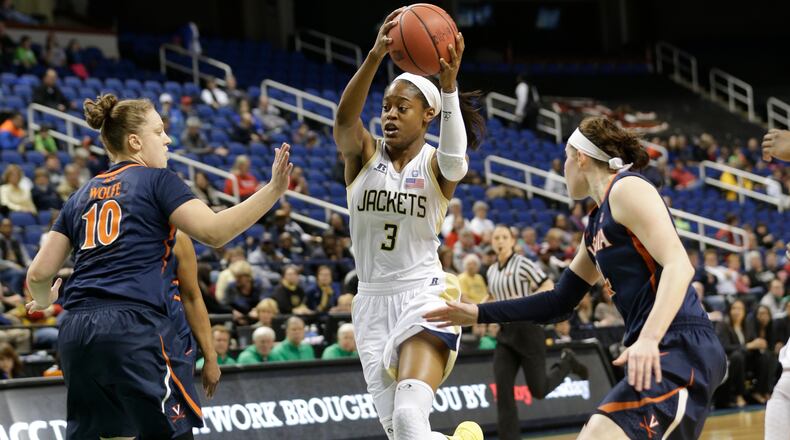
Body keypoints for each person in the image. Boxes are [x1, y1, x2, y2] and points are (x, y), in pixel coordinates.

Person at [426, 116, 727, 439]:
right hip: (658, 351)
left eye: (566, 160)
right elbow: (560, 302)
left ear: (580, 156)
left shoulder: (626, 187)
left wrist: (650, 339)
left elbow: (679, 265)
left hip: (678, 345)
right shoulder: (596, 225)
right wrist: (479, 312)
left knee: (598, 433)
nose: (563, 170)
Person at [24, 93, 292, 439]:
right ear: (135, 141)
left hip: (76, 332)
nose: (168, 139)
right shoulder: (157, 181)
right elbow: (214, 232)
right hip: (132, 327)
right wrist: (273, 190)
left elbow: (37, 274)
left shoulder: (79, 196)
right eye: (160, 131)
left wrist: (44, 301)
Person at [334, 8, 487, 439]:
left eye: (403, 107)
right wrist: (374, 57)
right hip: (370, 303)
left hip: (425, 294)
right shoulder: (363, 156)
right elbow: (345, 122)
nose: (390, 114)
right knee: (403, 434)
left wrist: (449, 87)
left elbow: (457, 159)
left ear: (427, 117)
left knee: (407, 417)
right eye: (386, 106)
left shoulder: (436, 165)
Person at [480, 224, 587, 440]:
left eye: (504, 237)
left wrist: (525, 305)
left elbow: (547, 285)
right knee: (503, 391)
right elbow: (492, 297)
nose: (500, 241)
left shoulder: (523, 264)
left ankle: (567, 361)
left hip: (528, 330)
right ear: (492, 242)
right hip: (505, 335)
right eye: (496, 237)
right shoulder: (491, 271)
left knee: (538, 390)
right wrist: (477, 310)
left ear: (512, 241)